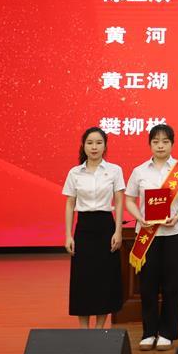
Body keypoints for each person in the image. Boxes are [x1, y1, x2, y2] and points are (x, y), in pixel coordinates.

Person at [125, 124, 178, 351]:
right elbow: (129, 200)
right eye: (156, 141)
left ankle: (167, 333)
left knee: (172, 286)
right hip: (147, 234)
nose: (160, 146)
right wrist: (139, 218)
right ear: (150, 144)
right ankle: (149, 332)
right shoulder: (139, 171)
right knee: (148, 286)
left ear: (172, 144)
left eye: (165, 141)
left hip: (174, 233)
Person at [63, 126, 125, 328]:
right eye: (90, 143)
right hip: (84, 228)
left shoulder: (114, 170)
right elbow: (70, 204)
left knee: (104, 278)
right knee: (83, 279)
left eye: (99, 143)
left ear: (105, 146)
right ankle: (84, 330)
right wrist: (68, 235)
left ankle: (99, 328)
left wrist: (118, 231)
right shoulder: (75, 173)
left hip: (106, 226)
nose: (94, 147)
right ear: (83, 146)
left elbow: (119, 201)